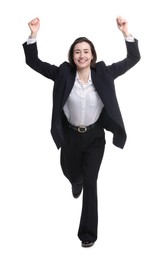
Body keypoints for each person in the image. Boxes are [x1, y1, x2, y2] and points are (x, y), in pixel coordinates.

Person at [22, 16, 140, 248]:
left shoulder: (105, 73)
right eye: (77, 52)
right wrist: (33, 35)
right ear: (72, 56)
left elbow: (133, 58)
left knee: (91, 181)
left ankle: (88, 234)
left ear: (92, 56)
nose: (82, 55)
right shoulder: (63, 74)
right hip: (70, 136)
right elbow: (33, 62)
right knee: (71, 172)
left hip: (96, 137)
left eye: (86, 51)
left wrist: (126, 33)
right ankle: (76, 182)